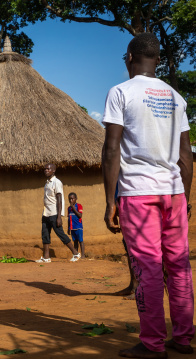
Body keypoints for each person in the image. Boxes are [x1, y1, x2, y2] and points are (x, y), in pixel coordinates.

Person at [103, 33, 194, 358]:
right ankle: (184, 338)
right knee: (179, 265)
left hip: (139, 194)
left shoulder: (121, 93)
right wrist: (185, 196)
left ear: (129, 58)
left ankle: (153, 343)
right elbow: (185, 155)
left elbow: (112, 148)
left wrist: (111, 200)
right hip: (174, 193)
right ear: (157, 59)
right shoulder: (176, 97)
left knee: (149, 268)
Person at [36, 164, 80, 263]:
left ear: (53, 171)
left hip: (54, 213)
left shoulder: (56, 182)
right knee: (45, 234)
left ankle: (76, 253)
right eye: (45, 169)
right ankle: (46, 257)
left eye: (48, 169)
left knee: (60, 234)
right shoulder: (47, 183)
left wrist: (59, 217)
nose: (46, 170)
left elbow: (60, 200)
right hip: (46, 213)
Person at [67, 192, 84, 258]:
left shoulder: (79, 206)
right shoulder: (69, 208)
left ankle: (83, 255)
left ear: (76, 199)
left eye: (72, 199)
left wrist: (73, 208)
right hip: (72, 227)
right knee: (75, 242)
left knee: (81, 241)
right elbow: (69, 218)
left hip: (78, 227)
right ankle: (76, 255)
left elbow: (80, 215)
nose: (71, 200)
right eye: (69, 199)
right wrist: (68, 228)